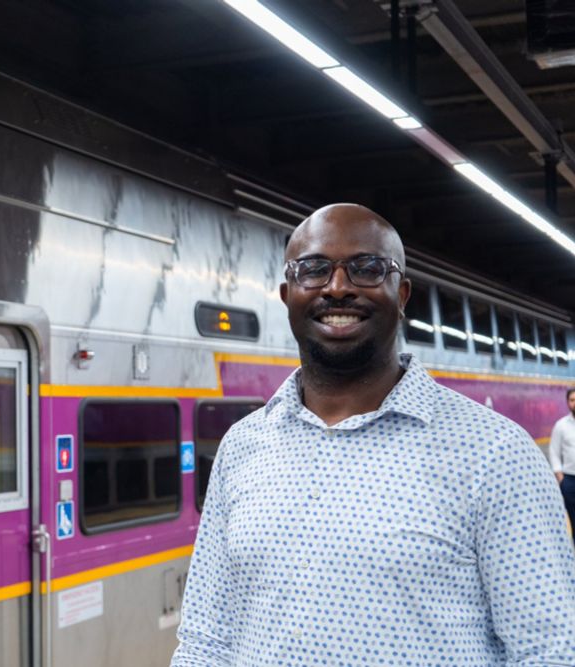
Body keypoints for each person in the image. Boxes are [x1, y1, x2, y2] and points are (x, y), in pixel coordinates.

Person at [171, 203, 575, 666]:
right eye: (313, 270)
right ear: (288, 294)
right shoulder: (242, 447)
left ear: (401, 293)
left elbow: (550, 650)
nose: (337, 287)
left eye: (366, 269)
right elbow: (206, 639)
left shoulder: (496, 453)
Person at [549, 388, 575, 541]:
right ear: (567, 403)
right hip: (570, 481)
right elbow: (554, 452)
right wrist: (560, 478)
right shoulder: (561, 426)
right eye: (572, 400)